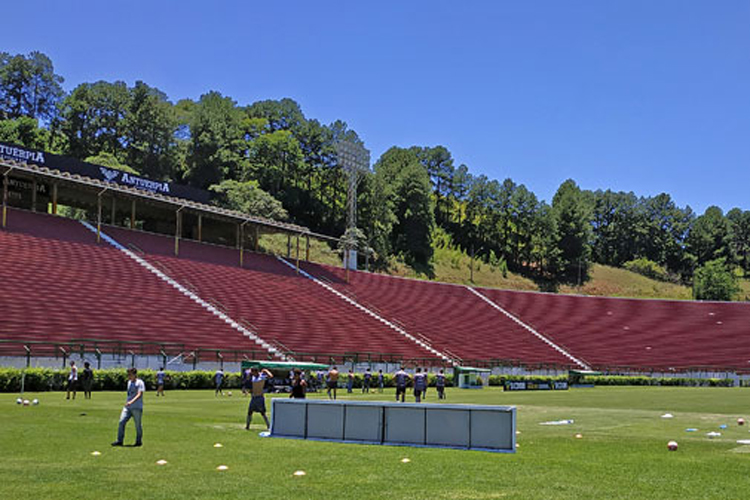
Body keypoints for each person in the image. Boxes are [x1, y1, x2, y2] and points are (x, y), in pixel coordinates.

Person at [112, 368, 145, 447]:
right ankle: (119, 440)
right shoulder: (129, 382)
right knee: (121, 422)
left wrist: (131, 401)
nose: (129, 376)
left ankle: (138, 441)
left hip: (137, 407)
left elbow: (139, 394)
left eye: (130, 374)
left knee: (137, 425)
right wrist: (128, 402)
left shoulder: (140, 382)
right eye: (128, 375)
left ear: (135, 374)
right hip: (128, 407)